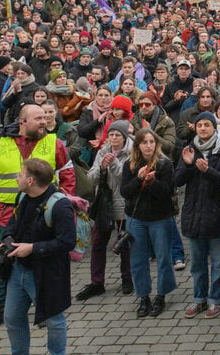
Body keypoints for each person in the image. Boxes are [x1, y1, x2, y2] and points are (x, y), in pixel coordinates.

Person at [0, 103, 76, 327]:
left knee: (40, 267)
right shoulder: (1, 145)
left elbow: (67, 175)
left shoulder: (54, 143)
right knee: (4, 266)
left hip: (45, 216)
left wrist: (63, 204)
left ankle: (44, 309)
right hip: (8, 217)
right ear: (22, 122)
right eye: (38, 118)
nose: (45, 121)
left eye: (45, 117)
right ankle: (2, 310)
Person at [0, 158, 76, 355]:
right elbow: (13, 223)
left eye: (20, 175)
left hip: (47, 273)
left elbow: (67, 242)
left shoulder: (60, 206)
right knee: (12, 318)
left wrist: (32, 248)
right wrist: (7, 239)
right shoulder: (22, 197)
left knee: (54, 320)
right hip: (19, 270)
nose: (17, 178)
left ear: (31, 181)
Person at [175, 111, 220, 320]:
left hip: (216, 214)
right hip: (194, 214)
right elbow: (178, 181)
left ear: (214, 127)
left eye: (206, 125)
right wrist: (190, 165)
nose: (202, 129)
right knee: (197, 264)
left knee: (217, 263)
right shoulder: (190, 149)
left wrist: (207, 171)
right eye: (199, 125)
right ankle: (198, 298)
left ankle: (215, 299)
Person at [120, 128, 177, 318]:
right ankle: (144, 296)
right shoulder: (129, 164)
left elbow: (168, 193)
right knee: (137, 260)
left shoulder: (164, 164)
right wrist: (138, 179)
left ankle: (161, 295)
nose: (149, 146)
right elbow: (125, 192)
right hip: (136, 218)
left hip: (160, 218)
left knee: (163, 258)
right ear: (138, 145)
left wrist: (152, 183)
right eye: (144, 142)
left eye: (152, 142)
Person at [78, 119, 133, 302]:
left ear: (125, 137)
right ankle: (97, 282)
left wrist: (113, 163)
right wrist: (102, 166)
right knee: (98, 242)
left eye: (118, 135)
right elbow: (90, 178)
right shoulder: (102, 151)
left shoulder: (132, 152)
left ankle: (127, 278)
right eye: (111, 135)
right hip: (104, 204)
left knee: (124, 242)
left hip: (123, 203)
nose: (114, 138)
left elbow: (124, 177)